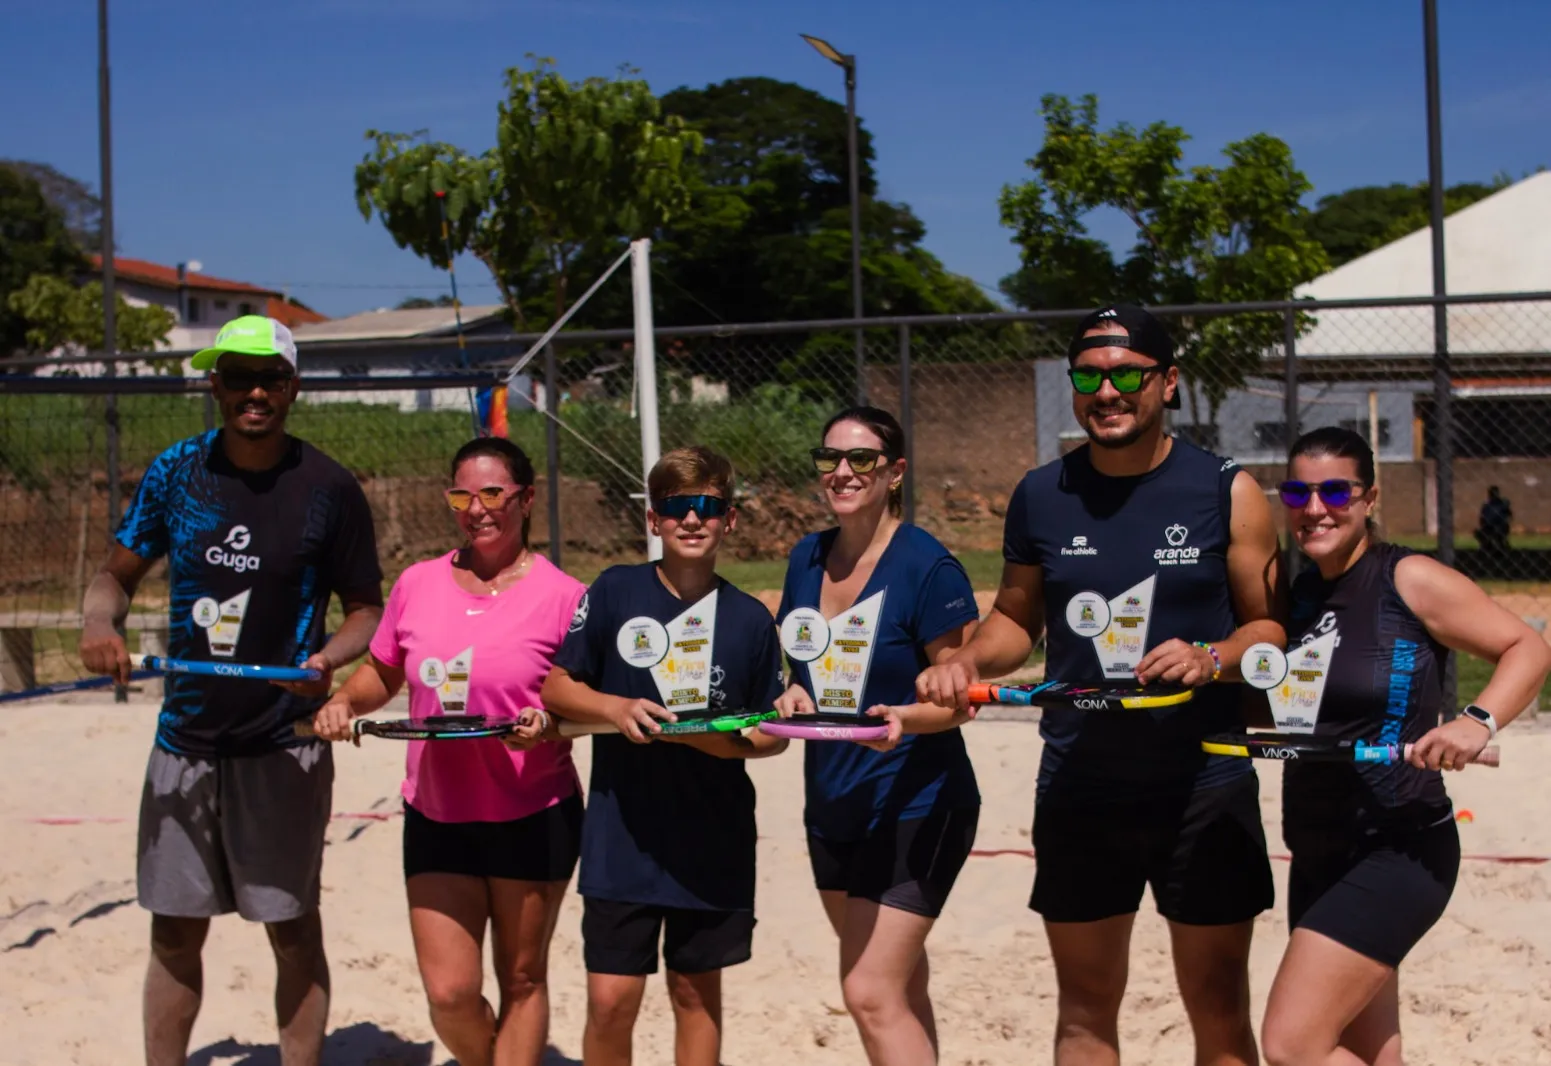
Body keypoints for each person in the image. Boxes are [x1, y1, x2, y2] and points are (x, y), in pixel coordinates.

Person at [917, 304, 1286, 1066]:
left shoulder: (1227, 490)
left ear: (1168, 382)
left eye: (1126, 374)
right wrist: (967, 662)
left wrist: (1210, 656)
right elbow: (1017, 618)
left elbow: (1269, 629)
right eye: (1087, 375)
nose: (1106, 390)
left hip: (1204, 778)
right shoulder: (1041, 493)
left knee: (1218, 1008)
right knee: (1084, 1012)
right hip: (1081, 777)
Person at [78, 315, 384, 1066]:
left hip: (284, 742)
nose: (256, 391)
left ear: (293, 387)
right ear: (213, 382)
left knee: (291, 928)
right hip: (185, 741)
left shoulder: (328, 487)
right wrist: (97, 621)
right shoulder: (177, 472)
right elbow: (113, 577)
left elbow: (367, 612)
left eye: (271, 378)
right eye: (239, 376)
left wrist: (327, 660)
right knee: (175, 930)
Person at [1259, 428, 1551, 1066]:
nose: (1315, 508)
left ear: (1370, 498)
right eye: (1298, 492)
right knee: (1369, 1051)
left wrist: (1476, 720)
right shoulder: (1293, 595)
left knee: (1291, 1043)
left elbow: (1527, 647)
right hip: (1316, 849)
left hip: (1397, 844)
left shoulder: (1407, 577)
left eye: (1336, 490)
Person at [310, 437, 585, 1066]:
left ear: (526, 498)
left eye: (494, 493)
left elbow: (584, 698)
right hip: (438, 813)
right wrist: (345, 703)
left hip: (533, 809)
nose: (477, 508)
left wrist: (552, 718)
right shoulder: (418, 583)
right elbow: (384, 671)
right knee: (451, 993)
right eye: (463, 494)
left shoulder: (565, 595)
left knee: (522, 980)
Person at [540, 445, 788, 1066]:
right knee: (610, 1002)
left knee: (694, 994)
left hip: (712, 837)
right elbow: (557, 685)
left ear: (729, 520)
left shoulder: (750, 619)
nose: (693, 520)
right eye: (677, 507)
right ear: (654, 519)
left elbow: (767, 734)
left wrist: (712, 738)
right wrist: (616, 709)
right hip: (622, 835)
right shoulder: (618, 590)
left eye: (708, 507)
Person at [772, 405, 981, 1066]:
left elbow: (959, 698)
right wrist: (790, 693)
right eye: (829, 459)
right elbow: (798, 669)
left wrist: (900, 720)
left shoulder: (927, 566)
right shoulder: (806, 556)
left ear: (893, 472)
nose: (841, 472)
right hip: (832, 803)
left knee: (866, 990)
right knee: (896, 986)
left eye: (860, 460)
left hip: (918, 801)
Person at [1475, 485, 1512, 559]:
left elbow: (1509, 516)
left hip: (1500, 527)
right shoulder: (1487, 505)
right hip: (1489, 527)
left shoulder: (1502, 504)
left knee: (1497, 536)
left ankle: (1499, 550)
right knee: (1482, 534)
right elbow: (1482, 518)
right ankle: (1488, 548)